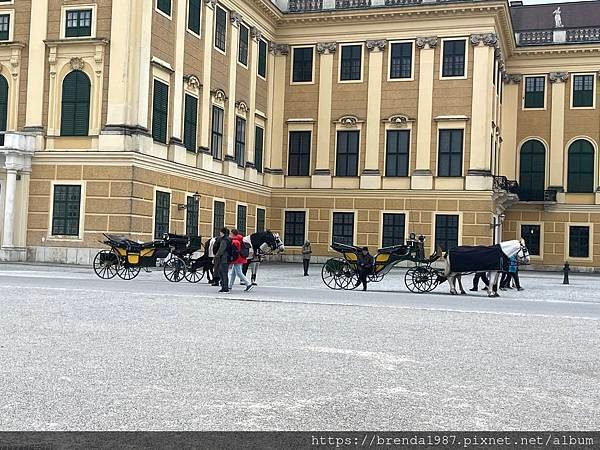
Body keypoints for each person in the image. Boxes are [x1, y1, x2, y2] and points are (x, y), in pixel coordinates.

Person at [213, 228, 230, 293]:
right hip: (226, 258)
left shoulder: (224, 240)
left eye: (220, 232)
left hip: (223, 259)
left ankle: (225, 287)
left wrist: (216, 256)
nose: (219, 234)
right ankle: (224, 287)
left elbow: (221, 250)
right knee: (224, 273)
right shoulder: (228, 239)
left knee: (223, 273)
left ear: (222, 233)